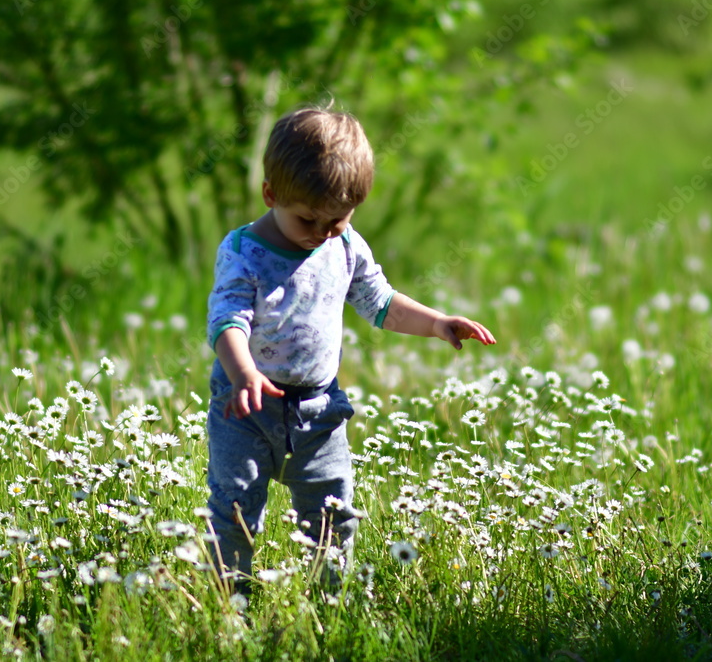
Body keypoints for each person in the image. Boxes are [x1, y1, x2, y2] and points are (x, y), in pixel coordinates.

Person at [205, 106, 496, 593]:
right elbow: (227, 321)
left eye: (337, 220)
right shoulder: (243, 251)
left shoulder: (344, 247)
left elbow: (381, 303)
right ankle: (229, 600)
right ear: (270, 194)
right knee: (234, 509)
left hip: (317, 410)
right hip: (247, 406)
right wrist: (243, 374)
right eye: (308, 219)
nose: (321, 232)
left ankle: (330, 601)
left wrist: (437, 323)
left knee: (332, 514)